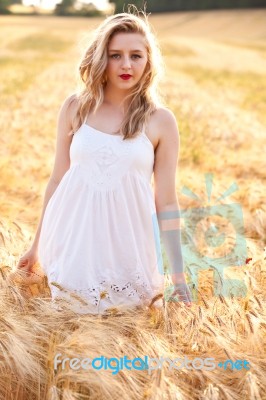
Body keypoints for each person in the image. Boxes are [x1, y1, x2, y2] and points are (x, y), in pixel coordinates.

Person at [16, 9, 192, 314]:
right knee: (72, 331)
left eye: (136, 55)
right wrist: (36, 247)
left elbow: (166, 201)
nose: (126, 65)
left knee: (128, 338)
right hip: (75, 244)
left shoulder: (161, 121)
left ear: (148, 61)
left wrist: (178, 275)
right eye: (115, 55)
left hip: (130, 249)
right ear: (101, 59)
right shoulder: (75, 108)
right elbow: (58, 178)